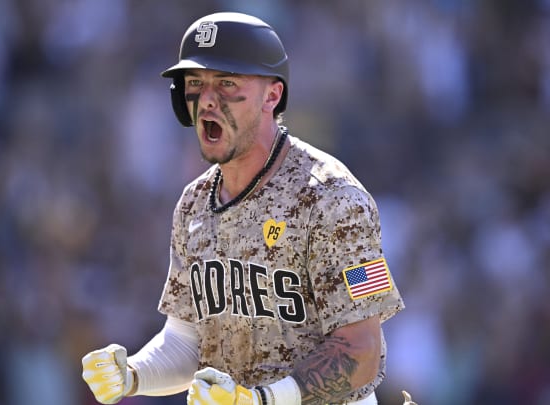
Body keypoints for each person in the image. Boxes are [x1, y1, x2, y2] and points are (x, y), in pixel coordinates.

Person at [82, 12, 405, 405]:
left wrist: (263, 400)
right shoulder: (193, 205)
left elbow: (362, 351)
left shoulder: (335, 198)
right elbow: (186, 343)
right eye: (195, 84)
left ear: (272, 95)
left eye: (227, 83)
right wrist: (133, 375)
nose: (207, 100)